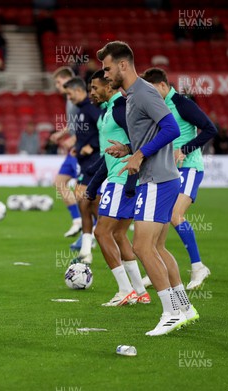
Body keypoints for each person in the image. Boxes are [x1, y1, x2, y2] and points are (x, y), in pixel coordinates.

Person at [98, 41, 198, 336]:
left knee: (142, 247)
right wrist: (129, 148)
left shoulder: (143, 92)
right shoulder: (131, 97)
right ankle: (183, 306)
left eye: (107, 68)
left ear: (123, 65)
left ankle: (169, 313)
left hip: (157, 179)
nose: (105, 75)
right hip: (158, 178)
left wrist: (139, 155)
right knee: (156, 247)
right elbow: (153, 134)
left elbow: (172, 129)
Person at [141, 68, 217, 290]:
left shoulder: (182, 103)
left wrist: (184, 149)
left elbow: (210, 129)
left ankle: (197, 266)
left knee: (175, 215)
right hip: (167, 171)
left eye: (153, 90)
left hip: (189, 168)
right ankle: (158, 268)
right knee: (162, 218)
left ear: (163, 85)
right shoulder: (158, 106)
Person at [85, 70, 150, 306]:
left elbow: (142, 140)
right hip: (123, 179)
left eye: (94, 87)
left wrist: (130, 182)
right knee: (120, 234)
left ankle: (125, 290)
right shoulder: (110, 110)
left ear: (108, 87)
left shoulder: (121, 108)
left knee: (101, 233)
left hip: (123, 180)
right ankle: (140, 290)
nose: (91, 92)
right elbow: (111, 154)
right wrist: (93, 185)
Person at [63, 77, 101, 264]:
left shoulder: (92, 109)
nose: (69, 98)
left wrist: (92, 146)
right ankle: (87, 249)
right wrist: (78, 146)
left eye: (69, 94)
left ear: (78, 91)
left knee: (88, 203)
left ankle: (107, 237)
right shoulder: (81, 110)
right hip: (85, 162)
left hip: (95, 162)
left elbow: (104, 131)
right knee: (85, 204)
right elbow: (86, 133)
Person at [51, 67, 82, 238]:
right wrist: (61, 134)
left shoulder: (78, 97)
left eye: (58, 82)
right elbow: (74, 124)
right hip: (74, 150)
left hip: (82, 150)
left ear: (67, 79)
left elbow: (87, 123)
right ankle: (77, 221)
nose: (57, 86)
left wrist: (75, 139)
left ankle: (91, 229)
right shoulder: (70, 99)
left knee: (82, 193)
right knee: (59, 182)